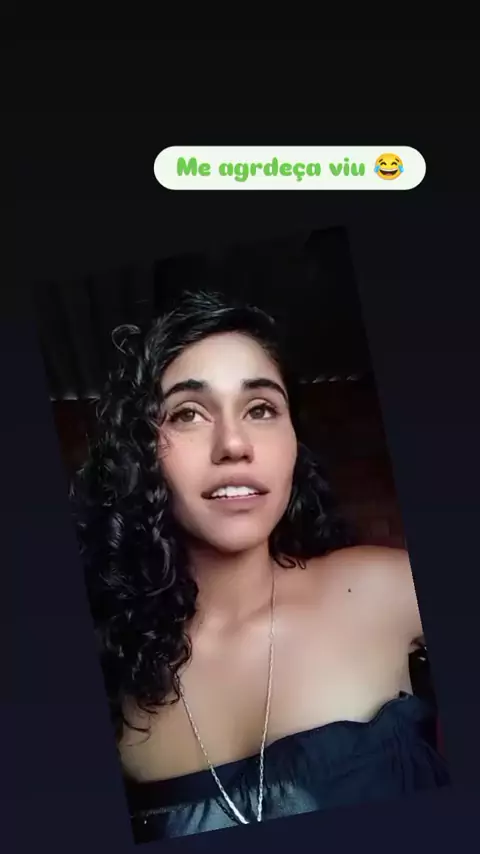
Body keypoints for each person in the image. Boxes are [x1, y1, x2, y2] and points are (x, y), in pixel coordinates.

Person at [72, 290, 449, 842]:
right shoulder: (110, 670)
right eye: (188, 413)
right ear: (140, 455)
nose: (233, 444)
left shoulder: (385, 588)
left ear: (294, 441)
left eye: (261, 409)